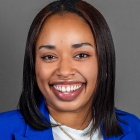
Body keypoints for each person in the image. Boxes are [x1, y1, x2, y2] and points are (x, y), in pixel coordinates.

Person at [0, 0, 140, 139]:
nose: (65, 71)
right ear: (33, 66)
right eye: (49, 57)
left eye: (81, 55)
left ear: (104, 63)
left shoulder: (134, 127)